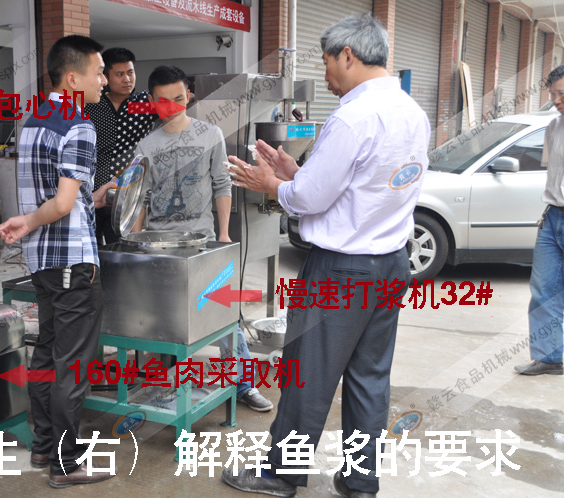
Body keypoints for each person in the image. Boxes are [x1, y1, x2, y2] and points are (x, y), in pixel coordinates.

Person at [222, 14, 430, 497]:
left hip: (341, 270)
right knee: (369, 378)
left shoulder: (352, 117)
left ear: (348, 56)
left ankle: (280, 474)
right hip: (390, 265)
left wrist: (272, 183)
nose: (327, 74)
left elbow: (310, 199)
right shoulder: (411, 112)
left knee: (308, 376)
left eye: (327, 63)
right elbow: (362, 189)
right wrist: (297, 171)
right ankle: (360, 480)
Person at [0, 35, 116, 489]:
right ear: (72, 78)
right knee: (73, 366)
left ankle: (43, 445)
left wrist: (91, 197)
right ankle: (66, 464)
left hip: (43, 262)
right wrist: (28, 220)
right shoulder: (78, 125)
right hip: (73, 261)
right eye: (98, 72)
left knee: (46, 354)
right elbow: (62, 204)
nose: (104, 81)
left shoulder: (33, 121)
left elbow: (62, 195)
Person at [132, 65, 273, 412]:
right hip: (159, 246)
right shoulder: (146, 145)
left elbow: (222, 185)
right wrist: (135, 241)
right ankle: (166, 384)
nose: (173, 107)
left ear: (189, 95)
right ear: (152, 102)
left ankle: (243, 384)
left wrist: (223, 235)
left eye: (179, 98)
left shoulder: (210, 134)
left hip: (204, 242)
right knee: (163, 319)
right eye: (164, 101)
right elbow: (140, 198)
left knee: (222, 313)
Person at [514, 66, 564, 376]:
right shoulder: (553, 127)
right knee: (544, 289)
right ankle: (550, 357)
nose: (556, 100)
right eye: (553, 94)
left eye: (562, 94)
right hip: (553, 217)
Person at [84, 47, 157, 245]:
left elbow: (177, 109)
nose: (127, 79)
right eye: (120, 74)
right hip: (92, 192)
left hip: (128, 194)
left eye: (130, 72)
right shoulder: (93, 104)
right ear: (106, 77)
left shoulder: (142, 104)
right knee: (90, 248)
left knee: (124, 248)